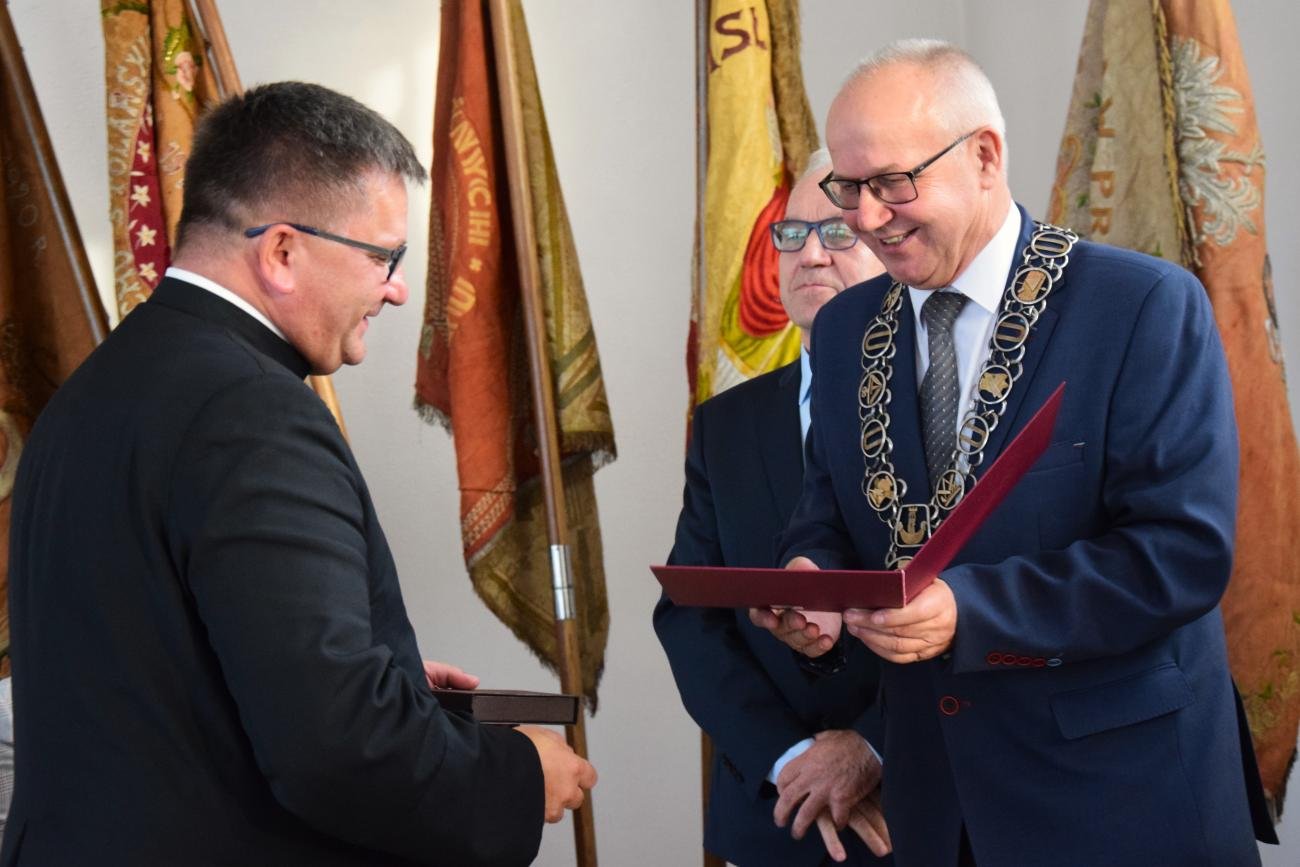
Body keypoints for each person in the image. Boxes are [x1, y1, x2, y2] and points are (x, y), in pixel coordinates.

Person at [1, 81, 594, 866]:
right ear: (282, 251)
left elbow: (138, 656)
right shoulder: (253, 411)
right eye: (384, 256)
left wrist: (366, 664)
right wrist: (516, 774)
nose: (397, 288)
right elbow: (335, 747)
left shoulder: (95, 387)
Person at [752, 40, 1276, 867]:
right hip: (935, 811)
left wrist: (970, 610)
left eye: (893, 182)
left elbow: (1181, 554)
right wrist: (812, 578)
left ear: (985, 157)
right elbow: (829, 507)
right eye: (850, 189)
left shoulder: (1141, 306)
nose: (866, 218)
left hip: (1121, 803)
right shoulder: (847, 328)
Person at [656, 151, 890, 866]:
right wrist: (789, 759)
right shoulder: (724, 423)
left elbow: (970, 601)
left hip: (915, 807)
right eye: (792, 234)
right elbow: (691, 616)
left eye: (837, 231)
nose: (809, 254)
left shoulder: (949, 404)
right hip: (776, 813)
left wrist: (872, 745)